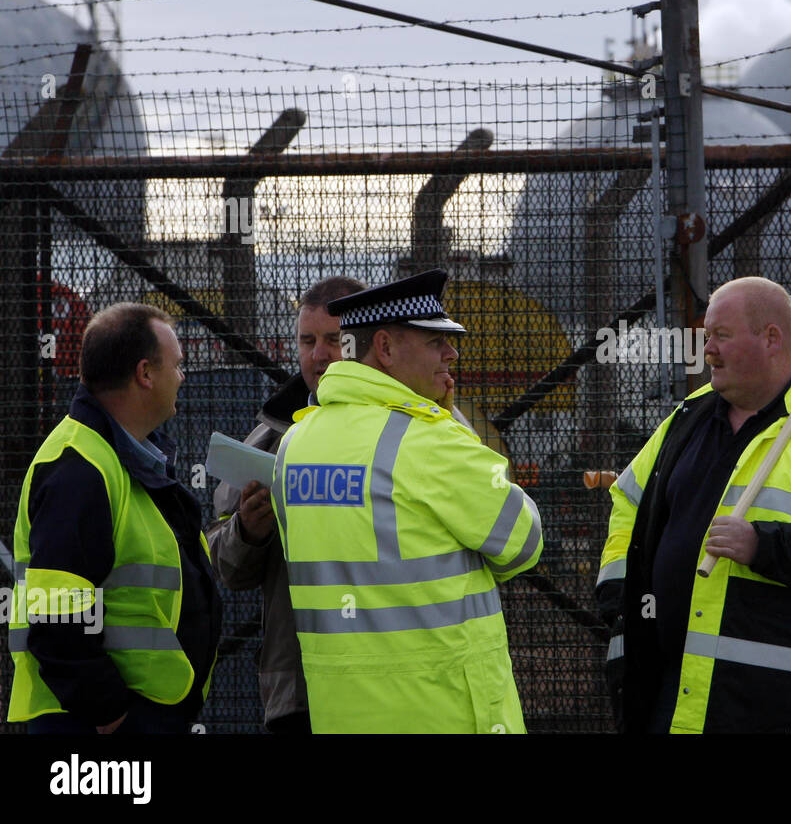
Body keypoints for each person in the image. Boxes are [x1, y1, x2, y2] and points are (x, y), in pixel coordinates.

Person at [597, 276, 791, 733]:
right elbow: (629, 498)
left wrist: (764, 546)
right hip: (670, 696)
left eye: (721, 335)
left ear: (771, 339)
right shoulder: (688, 418)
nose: (708, 350)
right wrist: (619, 584)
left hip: (775, 707)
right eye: (706, 337)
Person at [269, 268, 543, 733]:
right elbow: (523, 541)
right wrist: (450, 421)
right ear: (386, 348)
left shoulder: (296, 443)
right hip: (441, 711)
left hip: (340, 715)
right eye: (435, 341)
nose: (451, 353)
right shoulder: (430, 441)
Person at [7, 303, 223, 734]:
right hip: (93, 723)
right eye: (177, 365)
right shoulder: (80, 468)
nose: (182, 377)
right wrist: (112, 716)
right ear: (145, 373)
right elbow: (55, 620)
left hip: (126, 713)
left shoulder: (121, 458)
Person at [207, 275, 365, 734]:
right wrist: (247, 532)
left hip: (389, 677)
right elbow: (225, 565)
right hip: (298, 690)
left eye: (334, 339)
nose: (319, 355)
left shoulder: (412, 422)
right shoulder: (268, 437)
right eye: (307, 340)